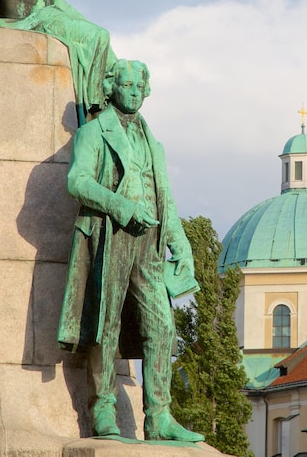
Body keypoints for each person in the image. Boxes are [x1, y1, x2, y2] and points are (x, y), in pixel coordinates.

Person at [57, 59, 204, 442]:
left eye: (140, 86)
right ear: (111, 88)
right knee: (106, 323)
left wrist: (181, 245)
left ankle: (159, 417)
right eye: (127, 85)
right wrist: (122, 207)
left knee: (163, 326)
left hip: (149, 244)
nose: (135, 92)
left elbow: (165, 199)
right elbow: (77, 181)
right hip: (111, 235)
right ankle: (103, 408)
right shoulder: (93, 132)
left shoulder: (153, 142)